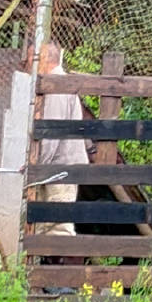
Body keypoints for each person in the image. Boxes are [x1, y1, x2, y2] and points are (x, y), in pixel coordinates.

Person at [32, 41, 90, 240]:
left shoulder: (56, 85)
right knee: (47, 225)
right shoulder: (61, 83)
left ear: (44, 60)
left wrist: (36, 167)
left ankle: (58, 269)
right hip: (59, 166)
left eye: (33, 59)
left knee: (58, 229)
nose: (29, 64)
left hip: (59, 167)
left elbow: (51, 131)